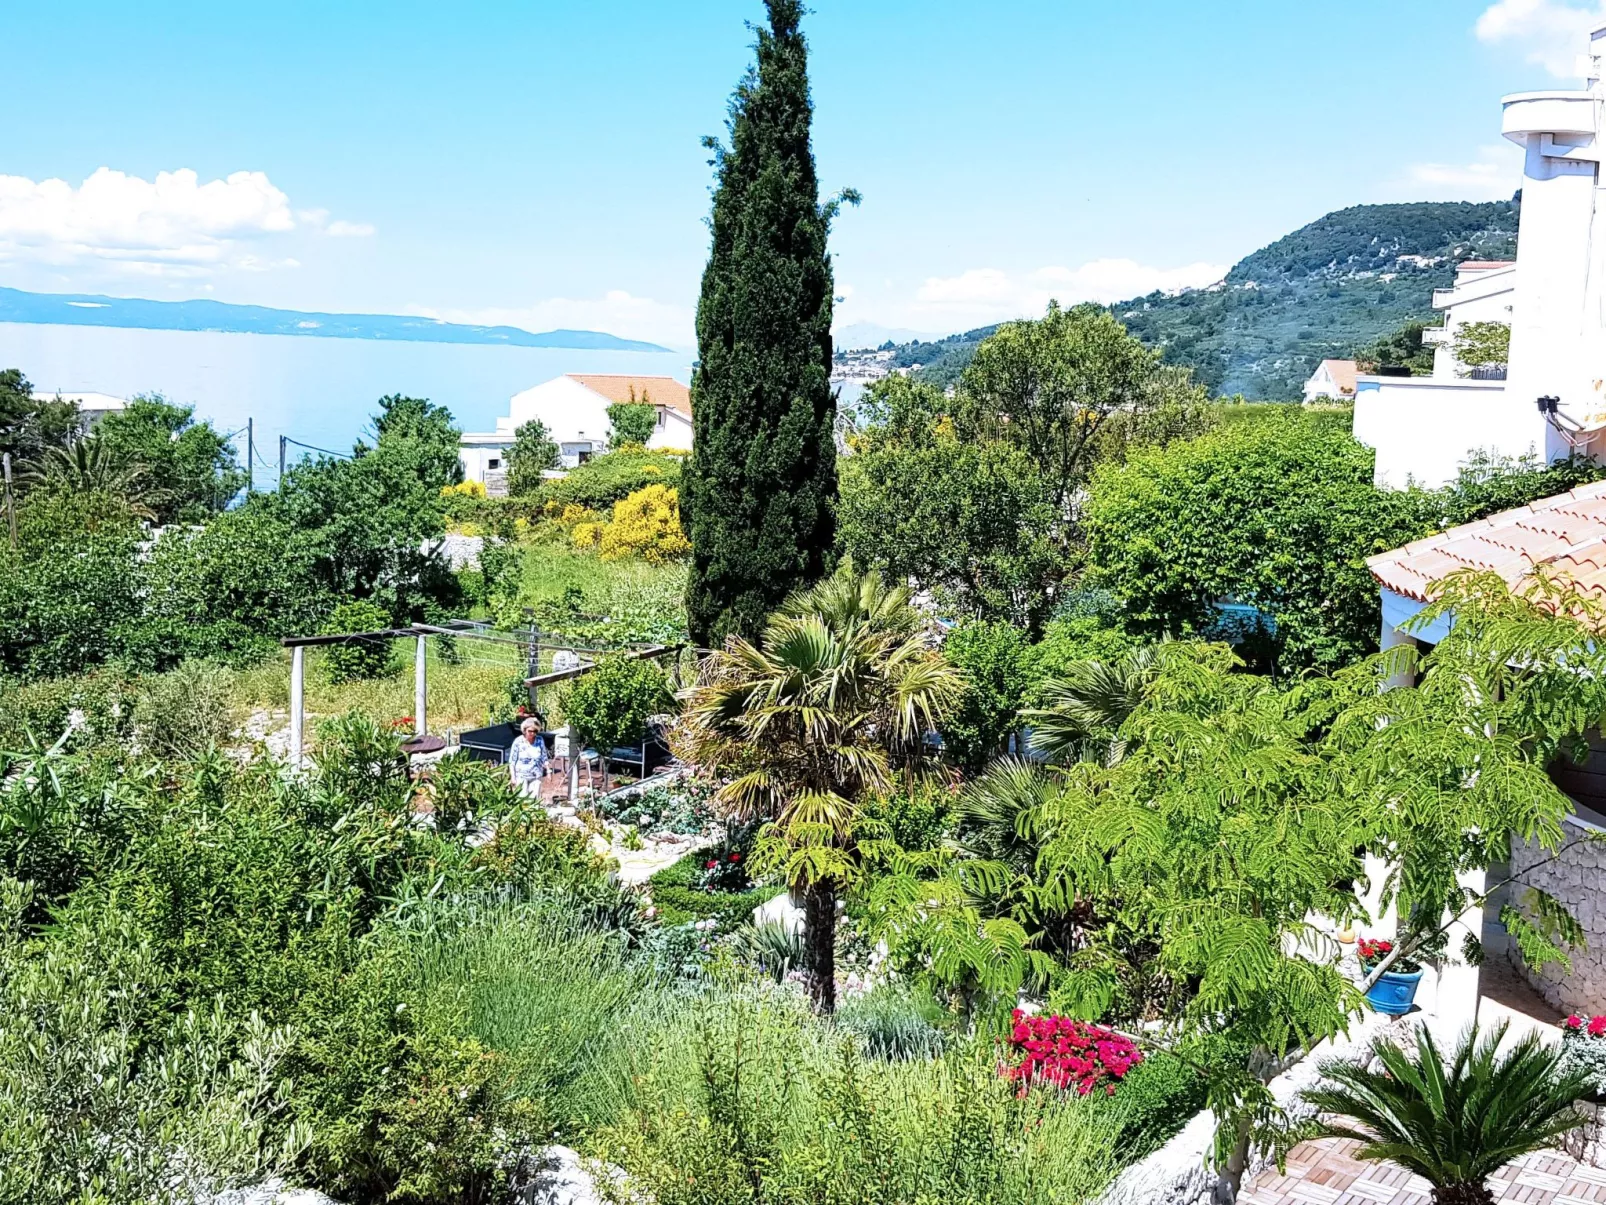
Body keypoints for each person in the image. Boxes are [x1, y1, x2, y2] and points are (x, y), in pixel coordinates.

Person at [508, 717, 548, 795]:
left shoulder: (539, 740)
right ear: (525, 730)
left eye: (535, 731)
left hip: (536, 775)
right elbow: (512, 761)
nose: (532, 733)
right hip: (521, 776)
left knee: (534, 801)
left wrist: (548, 771)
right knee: (523, 800)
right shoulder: (518, 742)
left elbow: (544, 756)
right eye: (530, 731)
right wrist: (513, 777)